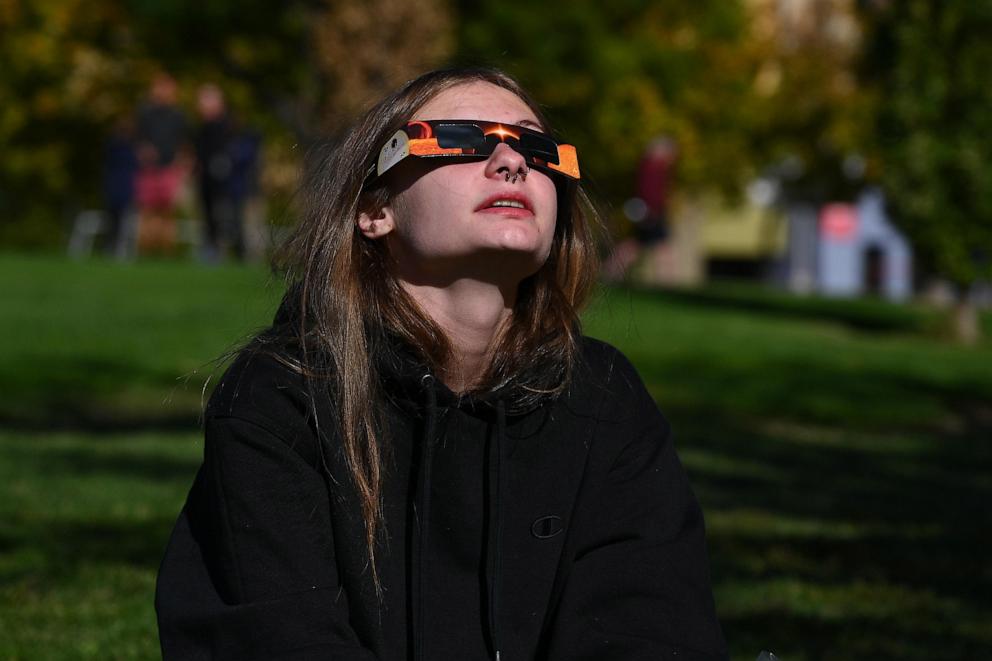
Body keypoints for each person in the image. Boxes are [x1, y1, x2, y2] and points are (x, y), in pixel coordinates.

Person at [155, 67, 727, 660]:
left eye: (537, 146)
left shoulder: (604, 398)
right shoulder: (285, 393)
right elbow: (278, 639)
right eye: (461, 139)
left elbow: (653, 629)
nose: (512, 161)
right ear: (376, 209)